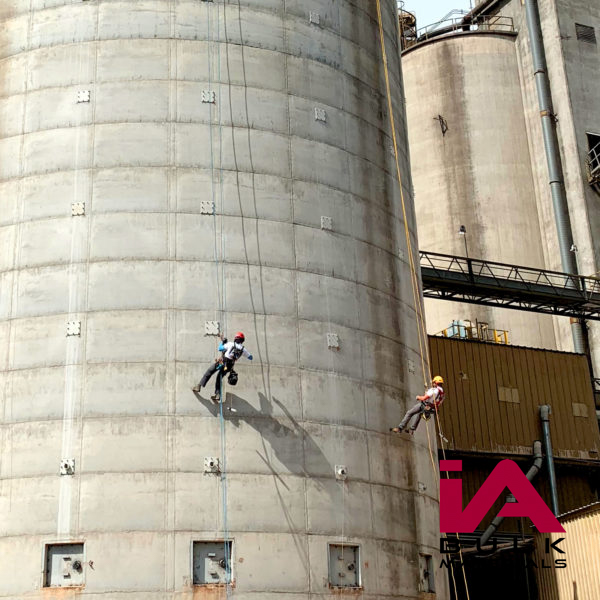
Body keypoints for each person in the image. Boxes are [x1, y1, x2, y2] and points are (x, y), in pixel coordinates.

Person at [192, 332, 253, 402]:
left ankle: (199, 386)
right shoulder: (243, 350)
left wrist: (223, 343)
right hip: (229, 366)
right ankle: (217, 394)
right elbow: (251, 357)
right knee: (219, 378)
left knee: (209, 371)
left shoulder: (230, 344)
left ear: (235, 338)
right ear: (242, 340)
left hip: (222, 362)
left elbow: (220, 348)